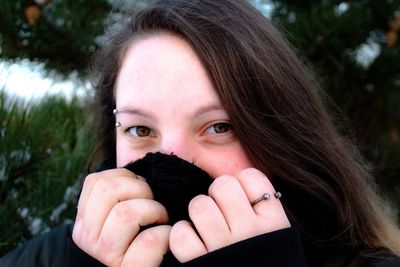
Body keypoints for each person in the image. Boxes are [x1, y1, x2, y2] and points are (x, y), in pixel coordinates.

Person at [1, 0, 400, 266]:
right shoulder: (58, 256)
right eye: (141, 129)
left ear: (280, 137)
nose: (172, 156)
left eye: (219, 127)